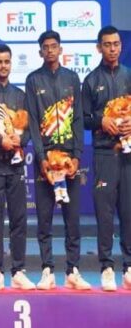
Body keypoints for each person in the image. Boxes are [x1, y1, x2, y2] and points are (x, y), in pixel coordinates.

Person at [25, 30, 89, 289]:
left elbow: (78, 119)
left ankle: (72, 270)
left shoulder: (72, 78)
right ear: (40, 51)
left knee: (72, 220)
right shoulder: (33, 80)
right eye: (46, 47)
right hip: (45, 161)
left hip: (68, 160)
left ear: (60, 49)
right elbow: (32, 121)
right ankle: (47, 270)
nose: (50, 50)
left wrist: (77, 157)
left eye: (54, 46)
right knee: (44, 220)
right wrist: (41, 159)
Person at [0, 44, 36, 290]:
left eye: (6, 61)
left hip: (15, 167)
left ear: (11, 64)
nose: (3, 66)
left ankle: (18, 271)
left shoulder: (20, 95)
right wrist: (0, 141)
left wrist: (19, 141)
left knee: (19, 219)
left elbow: (29, 128)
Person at [82, 25, 131, 291]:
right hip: (104, 153)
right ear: (99, 47)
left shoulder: (129, 76)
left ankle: (129, 267)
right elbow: (84, 119)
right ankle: (107, 267)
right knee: (105, 213)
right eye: (107, 44)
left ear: (121, 46)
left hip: (128, 153)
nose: (112, 49)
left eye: (116, 44)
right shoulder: (91, 81)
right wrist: (102, 121)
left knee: (129, 211)